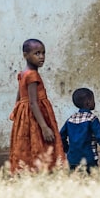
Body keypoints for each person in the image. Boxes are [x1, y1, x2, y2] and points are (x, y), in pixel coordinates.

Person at [9, 39, 66, 173]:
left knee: (27, 143)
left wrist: (16, 112)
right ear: (25, 55)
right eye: (37, 53)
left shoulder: (23, 73)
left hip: (26, 115)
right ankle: (41, 170)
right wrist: (44, 127)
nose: (41, 57)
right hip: (36, 116)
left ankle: (27, 169)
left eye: (43, 53)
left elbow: (20, 96)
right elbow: (33, 102)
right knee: (39, 142)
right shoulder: (32, 75)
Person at [60, 88, 100, 172]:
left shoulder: (70, 119)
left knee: (74, 181)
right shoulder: (92, 119)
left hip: (72, 159)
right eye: (93, 100)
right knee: (91, 181)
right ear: (88, 103)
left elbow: (61, 137)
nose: (94, 102)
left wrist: (67, 150)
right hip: (89, 159)